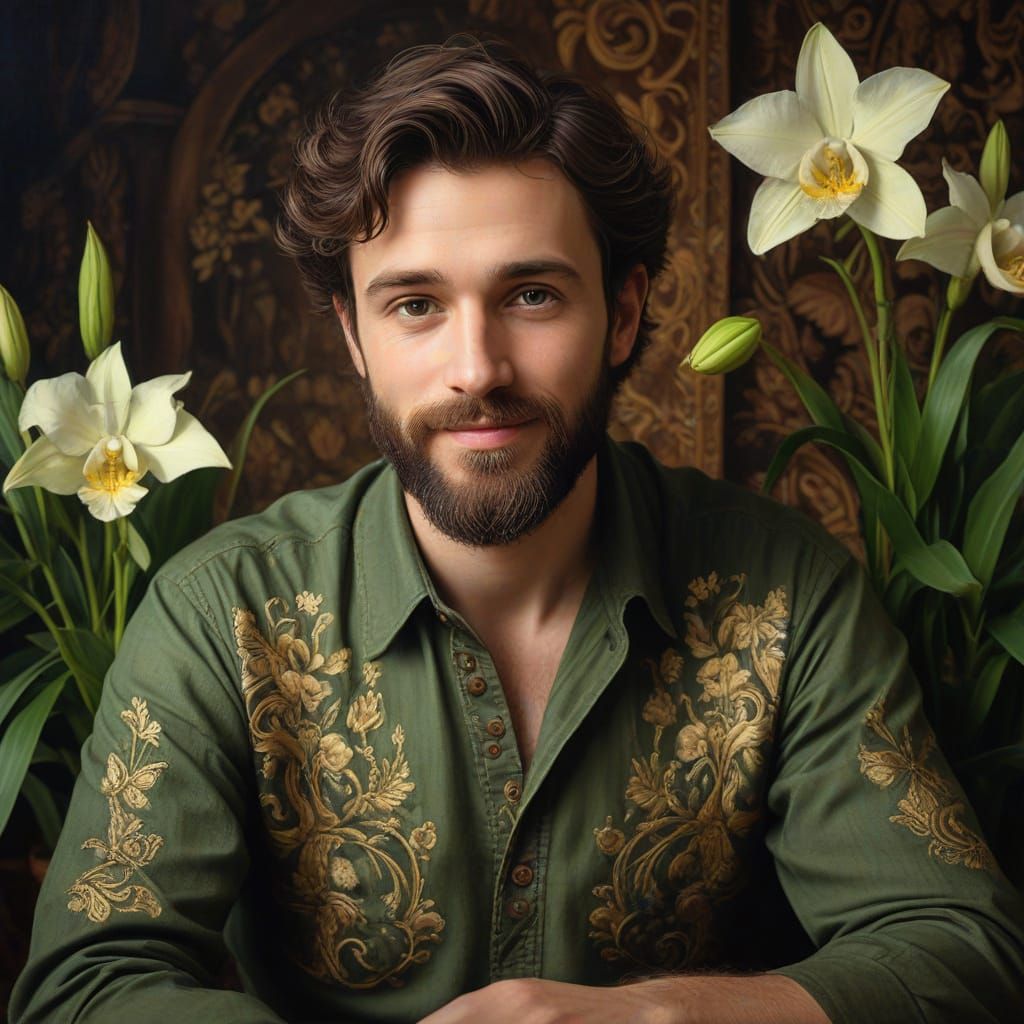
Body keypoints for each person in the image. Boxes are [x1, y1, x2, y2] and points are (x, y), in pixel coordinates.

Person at [10, 36, 1024, 1024]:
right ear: (351, 339)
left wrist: (656, 1015)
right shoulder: (218, 616)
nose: (477, 367)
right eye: (414, 304)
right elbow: (87, 982)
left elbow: (959, 952)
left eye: (531, 294)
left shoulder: (787, 594)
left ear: (623, 316)